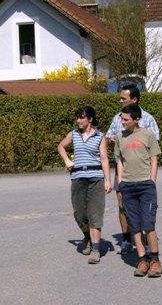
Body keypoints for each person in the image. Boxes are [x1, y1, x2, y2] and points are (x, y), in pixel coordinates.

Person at [106, 84, 160, 255]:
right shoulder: (117, 118)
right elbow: (110, 137)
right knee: (123, 206)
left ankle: (146, 241)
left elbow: (153, 147)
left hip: (142, 172)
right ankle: (127, 239)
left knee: (144, 209)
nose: (120, 100)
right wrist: (113, 141)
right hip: (122, 169)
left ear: (134, 99)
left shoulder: (148, 119)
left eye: (123, 98)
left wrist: (151, 179)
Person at [58, 106, 112, 264]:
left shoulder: (100, 136)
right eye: (77, 117)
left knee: (95, 213)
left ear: (90, 119)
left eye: (81, 117)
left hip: (96, 178)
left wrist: (108, 180)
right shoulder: (73, 134)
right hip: (78, 178)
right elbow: (61, 146)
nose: (78, 120)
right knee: (79, 214)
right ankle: (87, 237)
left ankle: (95, 250)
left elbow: (104, 159)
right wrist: (67, 160)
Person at [115, 104, 162, 277]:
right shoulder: (120, 137)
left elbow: (154, 159)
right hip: (127, 186)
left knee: (148, 225)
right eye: (122, 118)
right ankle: (142, 260)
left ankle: (155, 261)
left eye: (126, 119)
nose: (122, 122)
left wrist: (152, 181)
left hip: (145, 186)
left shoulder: (148, 135)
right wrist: (120, 181)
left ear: (137, 119)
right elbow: (119, 160)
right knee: (134, 226)